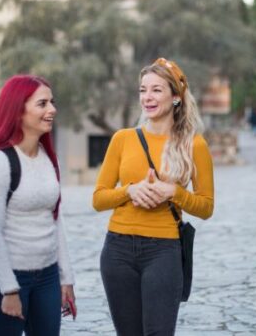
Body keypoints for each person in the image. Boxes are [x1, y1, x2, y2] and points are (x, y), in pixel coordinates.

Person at [93, 57, 215, 336]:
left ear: (175, 97)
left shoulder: (194, 145)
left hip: (164, 252)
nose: (147, 97)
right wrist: (130, 190)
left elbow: (206, 207)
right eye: (143, 90)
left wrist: (174, 192)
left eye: (156, 90)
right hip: (117, 250)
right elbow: (98, 199)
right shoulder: (122, 139)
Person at [0, 75, 76, 336]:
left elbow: (55, 220)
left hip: (46, 277)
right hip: (8, 279)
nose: (52, 110)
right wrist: (9, 289)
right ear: (18, 110)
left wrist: (66, 279)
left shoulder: (46, 158)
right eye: (42, 104)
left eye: (52, 102)